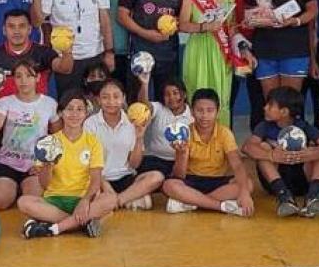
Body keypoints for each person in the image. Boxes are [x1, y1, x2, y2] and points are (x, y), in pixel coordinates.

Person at [19, 90, 116, 238]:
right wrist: (48, 164)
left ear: (86, 114)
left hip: (82, 199)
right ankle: (81, 223)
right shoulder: (49, 143)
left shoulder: (93, 142)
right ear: (61, 113)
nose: (74, 114)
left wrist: (84, 201)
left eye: (79, 109)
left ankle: (55, 228)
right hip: (54, 200)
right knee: (24, 202)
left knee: (111, 199)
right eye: (69, 109)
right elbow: (44, 185)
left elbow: (96, 181)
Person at [242, 87, 319, 218]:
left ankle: (314, 195)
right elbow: (247, 147)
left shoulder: (303, 126)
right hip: (275, 181)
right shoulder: (264, 127)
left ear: (284, 111)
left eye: (270, 105)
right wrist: (271, 155)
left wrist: (311, 153)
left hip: (302, 181)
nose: (265, 108)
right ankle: (284, 197)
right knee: (262, 146)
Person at [160, 88, 254, 216]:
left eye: (210, 111)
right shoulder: (185, 133)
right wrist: (181, 153)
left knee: (248, 184)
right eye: (199, 110)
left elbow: (237, 165)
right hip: (191, 181)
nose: (204, 116)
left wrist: (244, 193)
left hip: (217, 181)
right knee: (169, 185)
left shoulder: (225, 133)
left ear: (217, 112)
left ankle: (191, 202)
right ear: (192, 112)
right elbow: (179, 175)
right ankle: (220, 206)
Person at [0, 60, 59, 210]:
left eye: (29, 76)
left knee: (33, 201)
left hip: (34, 165)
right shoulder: (5, 102)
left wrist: (45, 164)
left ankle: (20, 188)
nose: (24, 81)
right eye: (18, 76)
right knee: (0, 201)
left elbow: (58, 137)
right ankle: (9, 187)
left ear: (38, 78)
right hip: (6, 162)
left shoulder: (49, 103)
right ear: (13, 79)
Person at [40, 0, 114, 94]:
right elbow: (40, 19)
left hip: (95, 55)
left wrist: (109, 52)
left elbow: (105, 20)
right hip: (66, 58)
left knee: (98, 102)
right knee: (69, 104)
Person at [118, 0, 184, 99]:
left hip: (169, 56)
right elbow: (121, 16)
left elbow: (185, 21)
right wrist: (145, 33)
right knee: (137, 104)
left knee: (168, 103)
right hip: (140, 54)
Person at [180, 0, 238, 127]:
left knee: (221, 95)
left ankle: (221, 144)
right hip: (198, 50)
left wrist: (240, 51)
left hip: (221, 52)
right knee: (196, 92)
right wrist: (203, 27)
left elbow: (232, 27)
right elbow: (181, 25)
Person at [87, 79, 163, 210]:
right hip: (100, 179)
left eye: (116, 96)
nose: (111, 102)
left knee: (157, 177)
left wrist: (139, 138)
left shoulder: (132, 122)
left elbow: (134, 164)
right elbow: (88, 163)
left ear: (123, 98)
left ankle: (117, 201)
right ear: (98, 100)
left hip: (126, 178)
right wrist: (106, 186)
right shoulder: (90, 124)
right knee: (91, 192)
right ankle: (128, 199)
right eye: (105, 97)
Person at [223, 0, 265, 128]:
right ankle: (226, 141)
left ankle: (257, 141)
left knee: (258, 98)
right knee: (227, 97)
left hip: (259, 47)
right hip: (230, 48)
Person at [0, 9, 74, 97]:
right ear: (4, 30)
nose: (17, 31)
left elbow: (65, 69)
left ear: (29, 29)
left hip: (39, 109)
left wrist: (67, 51)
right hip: (5, 110)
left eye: (22, 26)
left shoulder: (43, 52)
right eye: (11, 26)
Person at [134, 73, 194, 178]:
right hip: (153, 160)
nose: (171, 98)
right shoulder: (158, 108)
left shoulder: (192, 115)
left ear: (184, 94)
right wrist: (144, 84)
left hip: (180, 162)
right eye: (167, 94)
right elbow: (143, 106)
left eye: (175, 93)